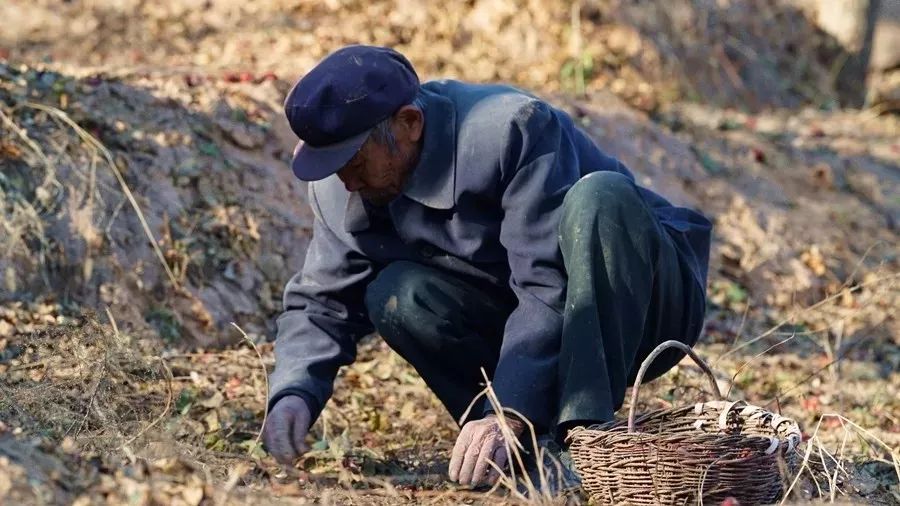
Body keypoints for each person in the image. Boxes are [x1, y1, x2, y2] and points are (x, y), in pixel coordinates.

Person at [262, 45, 712, 488]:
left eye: (354, 161)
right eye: (334, 166)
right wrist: (294, 393)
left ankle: (585, 438)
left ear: (410, 123)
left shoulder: (511, 130)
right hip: (518, 308)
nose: (347, 180)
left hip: (638, 300)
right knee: (398, 294)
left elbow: (546, 280)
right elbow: (322, 300)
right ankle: (525, 450)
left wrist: (508, 408)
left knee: (601, 195)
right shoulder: (342, 186)